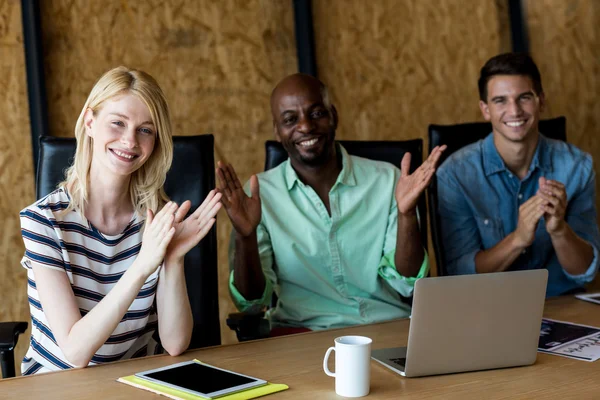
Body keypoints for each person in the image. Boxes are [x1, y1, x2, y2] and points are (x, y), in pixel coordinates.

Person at [19, 67, 222, 375]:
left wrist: (172, 258)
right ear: (90, 122)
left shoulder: (155, 219)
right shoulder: (43, 221)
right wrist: (143, 265)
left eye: (145, 130)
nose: (130, 141)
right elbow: (75, 352)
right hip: (58, 385)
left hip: (134, 382)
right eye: (117, 123)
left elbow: (175, 343)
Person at [217, 73, 445, 332]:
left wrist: (407, 215)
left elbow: (407, 283)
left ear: (333, 116)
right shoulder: (260, 195)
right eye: (290, 119)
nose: (305, 126)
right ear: (277, 131)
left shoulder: (387, 180)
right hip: (302, 338)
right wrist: (245, 238)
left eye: (316, 114)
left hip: (388, 328)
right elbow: (251, 304)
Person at [436, 52, 600, 296]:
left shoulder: (578, 166)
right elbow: (460, 274)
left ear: (541, 102)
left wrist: (559, 231)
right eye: (500, 100)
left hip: (561, 306)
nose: (514, 111)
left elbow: (585, 271)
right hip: (488, 307)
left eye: (524, 97)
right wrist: (518, 239)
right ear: (485, 110)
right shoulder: (454, 175)